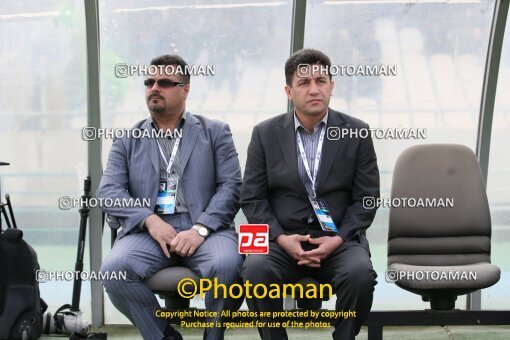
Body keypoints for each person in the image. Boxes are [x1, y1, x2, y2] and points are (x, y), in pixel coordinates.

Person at [97, 54, 244, 340]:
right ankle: (163, 335)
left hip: (205, 228)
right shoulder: (127, 139)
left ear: (185, 89)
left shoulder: (215, 132)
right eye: (149, 82)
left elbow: (231, 187)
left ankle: (213, 336)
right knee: (114, 270)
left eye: (165, 82)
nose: (154, 88)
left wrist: (200, 229)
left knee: (228, 266)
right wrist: (149, 220)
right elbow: (108, 191)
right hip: (148, 232)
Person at [240, 48, 380, 340]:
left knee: (360, 276)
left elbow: (366, 199)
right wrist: (280, 238)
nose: (314, 89)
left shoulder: (357, 131)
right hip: (282, 239)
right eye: (304, 83)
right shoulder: (265, 134)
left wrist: (338, 239)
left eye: (321, 80)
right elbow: (252, 197)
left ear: (332, 86)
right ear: (289, 91)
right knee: (255, 270)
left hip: (338, 239)